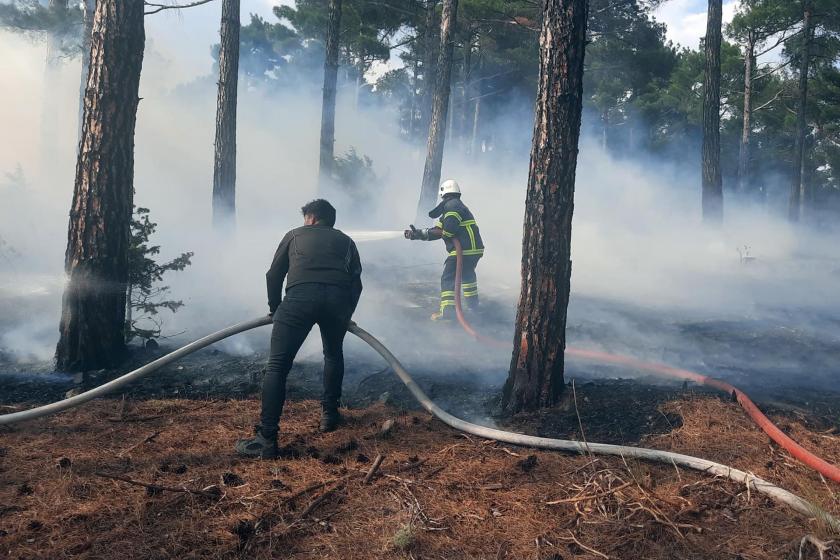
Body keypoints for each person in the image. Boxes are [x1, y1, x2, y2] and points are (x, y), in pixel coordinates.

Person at [236, 199, 363, 459]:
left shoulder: (294, 235)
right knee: (333, 353)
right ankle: (329, 415)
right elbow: (356, 284)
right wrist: (345, 314)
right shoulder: (348, 242)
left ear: (312, 218)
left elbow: (273, 275)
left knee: (277, 367)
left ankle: (267, 438)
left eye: (306, 217)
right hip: (337, 302)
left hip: (299, 299)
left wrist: (276, 309)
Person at [404, 179, 484, 320]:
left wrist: (429, 233)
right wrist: (418, 234)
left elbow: (448, 231)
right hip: (474, 250)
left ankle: (448, 312)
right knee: (467, 276)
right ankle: (474, 308)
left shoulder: (452, 206)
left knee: (448, 278)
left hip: (463, 250)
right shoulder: (456, 206)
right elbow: (439, 230)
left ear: (444, 194)